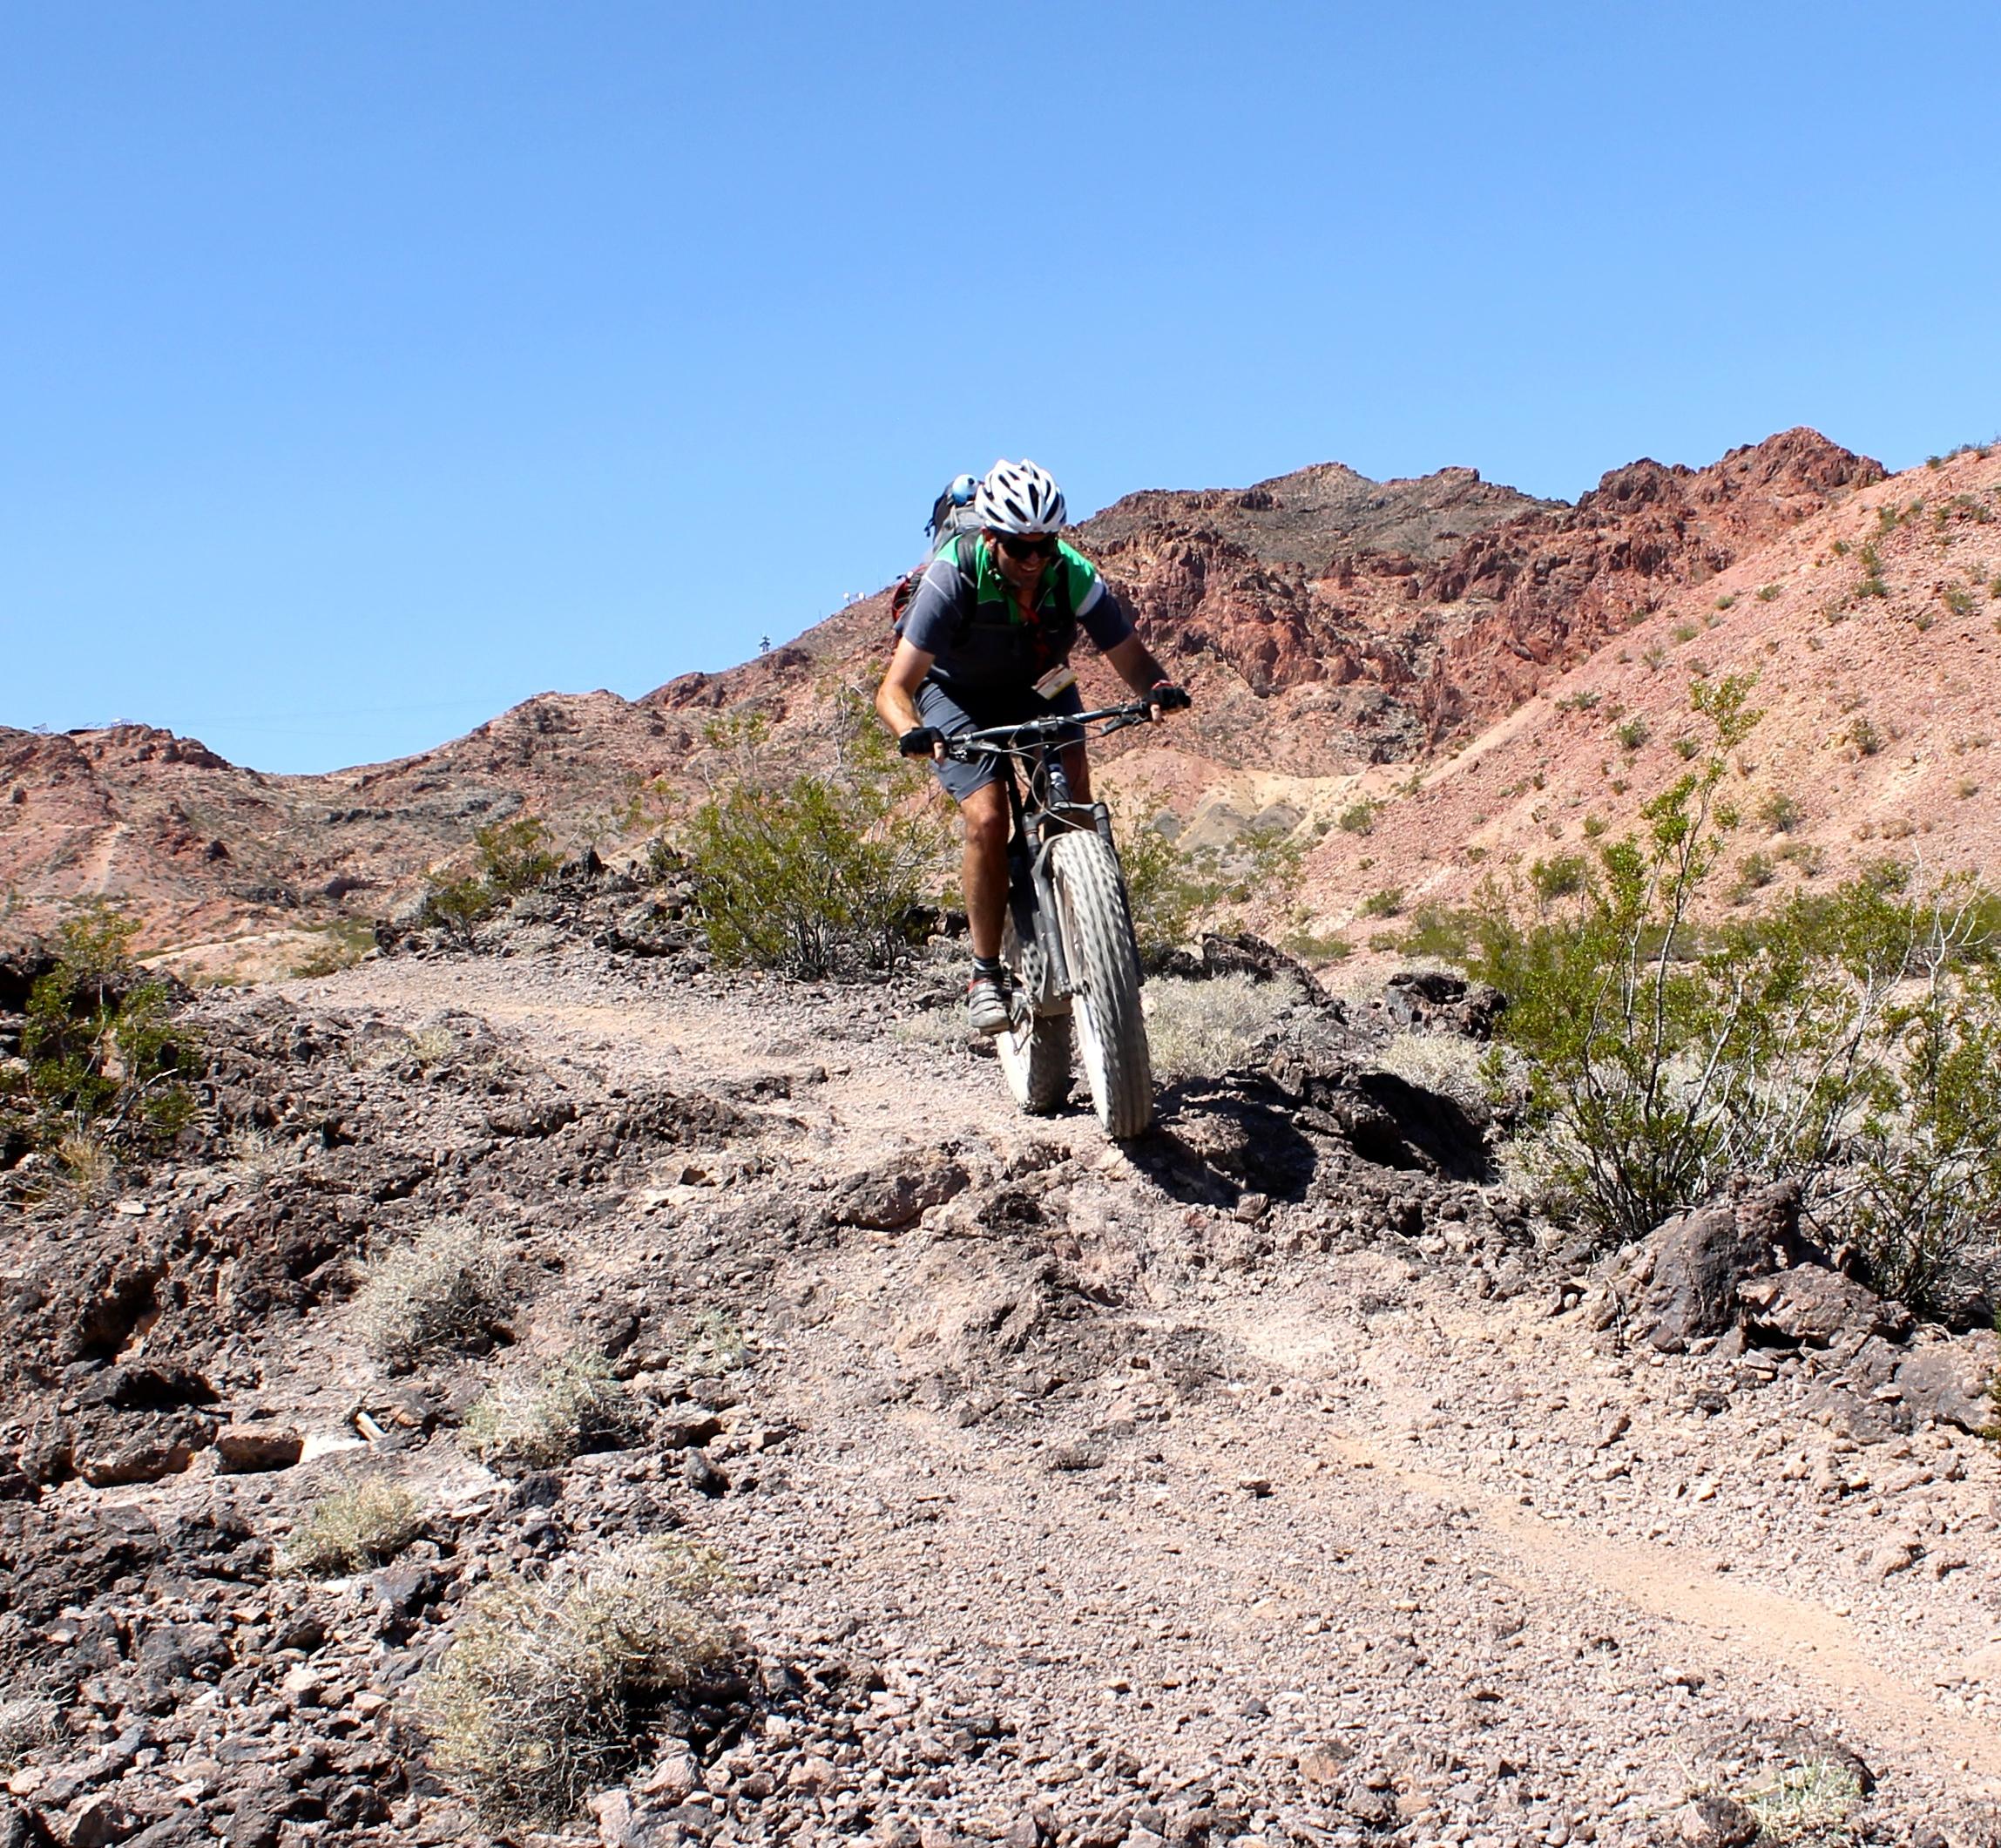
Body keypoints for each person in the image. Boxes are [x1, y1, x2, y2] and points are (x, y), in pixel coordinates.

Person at [874, 458, 1190, 1032]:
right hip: (959, 699)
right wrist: (911, 731)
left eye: (1045, 545)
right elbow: (895, 688)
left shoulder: (1070, 573)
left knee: (1071, 788)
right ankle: (985, 972)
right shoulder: (953, 577)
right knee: (989, 820)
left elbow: (1132, 659)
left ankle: (1099, 934)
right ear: (990, 535)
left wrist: (1158, 688)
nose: (1034, 559)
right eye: (1021, 546)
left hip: (1037, 688)